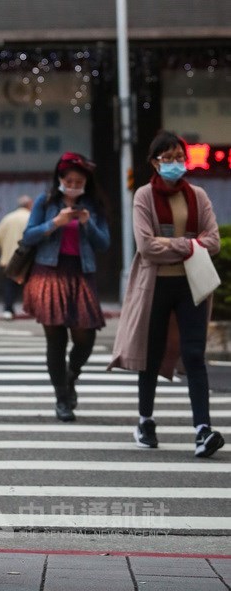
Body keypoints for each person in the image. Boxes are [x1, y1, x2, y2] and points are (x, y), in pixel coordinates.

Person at [109, 131, 223, 458]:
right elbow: (146, 246)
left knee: (194, 355)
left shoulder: (198, 196)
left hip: (191, 285)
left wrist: (172, 245)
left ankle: (202, 429)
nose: (174, 164)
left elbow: (212, 241)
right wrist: (190, 244)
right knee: (151, 353)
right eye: (167, 158)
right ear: (154, 162)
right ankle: (145, 420)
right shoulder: (143, 196)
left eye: (178, 157)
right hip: (155, 286)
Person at [21, 151, 110, 422]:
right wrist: (54, 223)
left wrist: (87, 223)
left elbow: (104, 243)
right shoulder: (46, 201)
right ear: (60, 179)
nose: (73, 185)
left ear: (86, 182)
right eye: (68, 180)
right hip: (48, 273)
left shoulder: (93, 205)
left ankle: (72, 374)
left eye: (77, 181)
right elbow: (29, 235)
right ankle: (61, 399)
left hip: (81, 273)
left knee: (86, 337)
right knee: (56, 340)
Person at [0, 195, 33, 318]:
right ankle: (31, 308)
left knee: (10, 285)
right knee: (29, 284)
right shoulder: (31, 217)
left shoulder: (8, 218)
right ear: (29, 205)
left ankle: (8, 309)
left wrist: (5, 247)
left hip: (9, 258)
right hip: (28, 258)